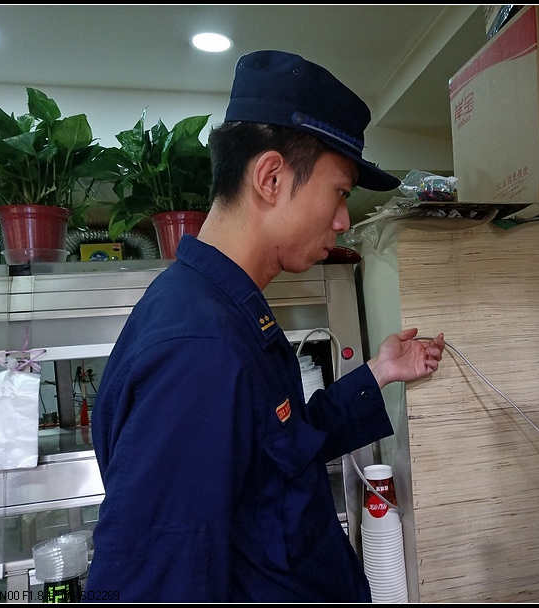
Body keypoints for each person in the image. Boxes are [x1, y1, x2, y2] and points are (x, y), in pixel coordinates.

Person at [85, 50, 445, 603]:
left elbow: (280, 454)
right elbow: (155, 584)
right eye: (340, 192)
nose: (343, 219)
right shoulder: (199, 348)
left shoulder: (222, 311)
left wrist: (378, 371)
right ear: (271, 178)